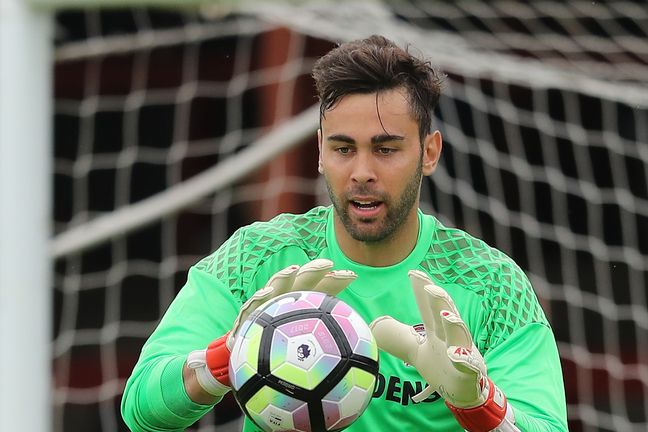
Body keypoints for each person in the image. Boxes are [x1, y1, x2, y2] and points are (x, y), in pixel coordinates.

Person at [121, 34, 567, 432]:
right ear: (320, 151)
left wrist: (477, 403)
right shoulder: (256, 256)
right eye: (343, 148)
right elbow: (140, 409)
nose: (362, 173)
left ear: (429, 153)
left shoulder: (492, 284)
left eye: (386, 149)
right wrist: (229, 354)